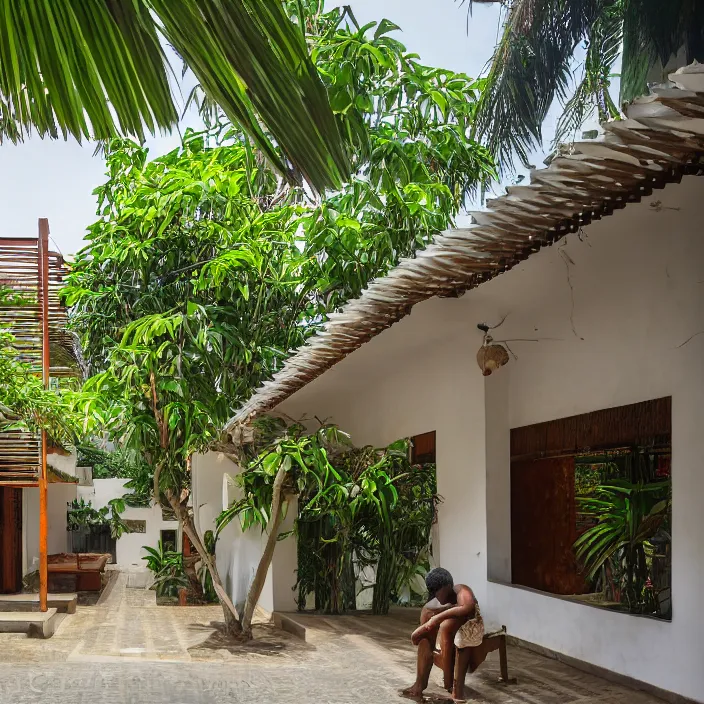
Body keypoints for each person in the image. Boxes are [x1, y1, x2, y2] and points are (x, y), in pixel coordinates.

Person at [401, 567, 486, 701]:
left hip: (471, 627)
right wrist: (434, 618)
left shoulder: (461, 590)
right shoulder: (437, 602)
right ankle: (419, 684)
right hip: (447, 634)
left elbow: (467, 607)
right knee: (425, 634)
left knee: (446, 626)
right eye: (433, 592)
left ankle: (451, 685)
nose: (436, 596)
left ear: (447, 586)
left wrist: (437, 618)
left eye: (437, 592)